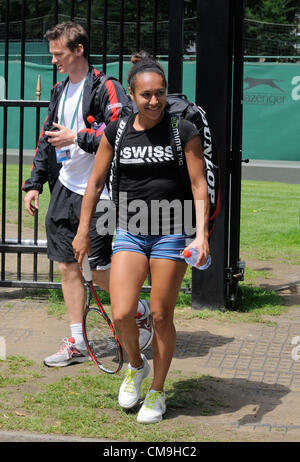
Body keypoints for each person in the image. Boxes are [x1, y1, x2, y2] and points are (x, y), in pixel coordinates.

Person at [72, 51, 209, 424]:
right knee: (121, 312)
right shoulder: (116, 131)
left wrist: (201, 236)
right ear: (131, 95)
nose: (154, 101)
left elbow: (199, 186)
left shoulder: (183, 131)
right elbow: (95, 183)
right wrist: (84, 229)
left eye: (159, 94)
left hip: (172, 231)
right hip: (129, 230)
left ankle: (157, 392)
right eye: (146, 94)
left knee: (162, 314)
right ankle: (136, 364)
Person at [22, 23, 152, 367]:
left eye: (58, 54)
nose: (54, 61)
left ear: (78, 50)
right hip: (65, 187)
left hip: (101, 191)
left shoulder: (106, 85)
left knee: (99, 267)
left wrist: (76, 138)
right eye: (52, 55)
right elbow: (46, 137)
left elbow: (120, 130)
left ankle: (138, 310)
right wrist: (34, 182)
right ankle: (77, 341)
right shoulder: (59, 89)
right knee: (67, 265)